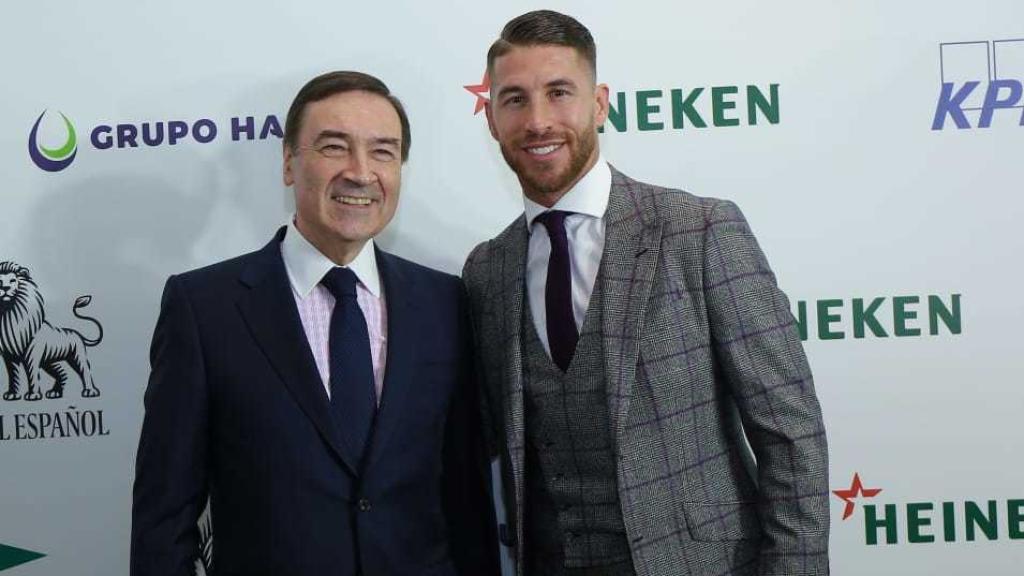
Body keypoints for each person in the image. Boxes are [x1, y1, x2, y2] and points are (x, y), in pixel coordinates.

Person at [462, 10, 829, 576]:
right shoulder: (486, 269)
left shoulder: (699, 231)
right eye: (514, 99)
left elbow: (790, 432)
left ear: (600, 102)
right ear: (491, 118)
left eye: (559, 92)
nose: (538, 121)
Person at [131, 71, 495, 576]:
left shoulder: (445, 302)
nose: (360, 172)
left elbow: (467, 500)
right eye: (334, 147)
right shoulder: (203, 309)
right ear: (287, 163)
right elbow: (163, 518)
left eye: (383, 152)